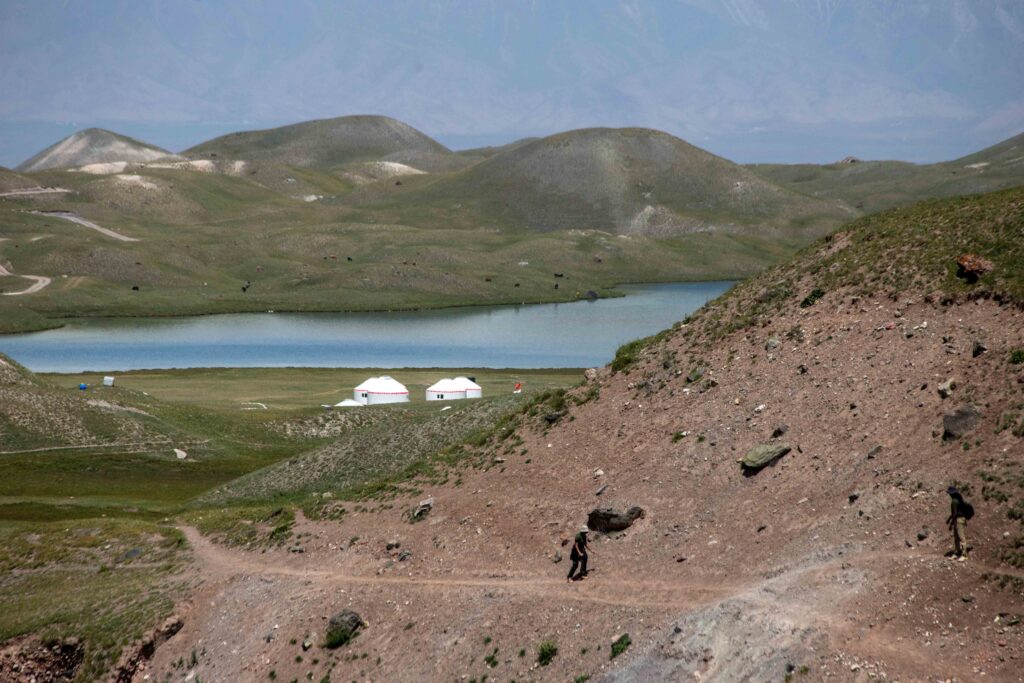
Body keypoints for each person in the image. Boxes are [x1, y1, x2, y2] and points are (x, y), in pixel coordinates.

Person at [946, 486, 973, 560]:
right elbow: (956, 512)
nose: (949, 495)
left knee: (960, 537)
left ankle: (964, 555)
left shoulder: (954, 501)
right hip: (960, 519)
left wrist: (951, 523)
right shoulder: (959, 499)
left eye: (950, 493)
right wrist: (949, 519)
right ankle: (957, 552)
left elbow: (955, 513)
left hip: (959, 520)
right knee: (957, 537)